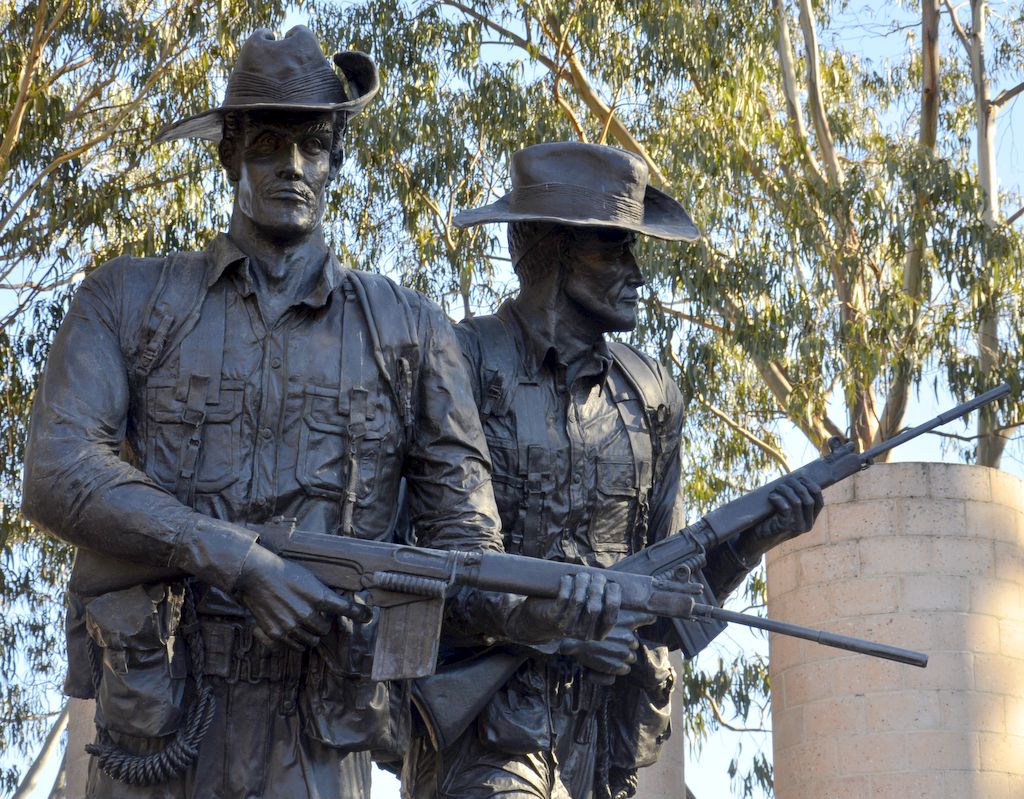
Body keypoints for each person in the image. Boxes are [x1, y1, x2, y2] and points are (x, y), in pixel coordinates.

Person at [21, 33, 612, 799]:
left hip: (318, 735)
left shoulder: (412, 331)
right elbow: (57, 469)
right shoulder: (129, 298)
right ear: (229, 154)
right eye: (268, 144)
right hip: (159, 723)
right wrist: (236, 559)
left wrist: (554, 608)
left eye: (313, 144)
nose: (292, 166)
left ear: (336, 157)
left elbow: (465, 554)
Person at [402, 142, 824, 799]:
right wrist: (565, 631)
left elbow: (664, 594)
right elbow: (420, 570)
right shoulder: (463, 361)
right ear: (556, 247)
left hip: (603, 747)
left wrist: (751, 539)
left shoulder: (651, 391)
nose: (637, 272)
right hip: (482, 742)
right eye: (614, 247)